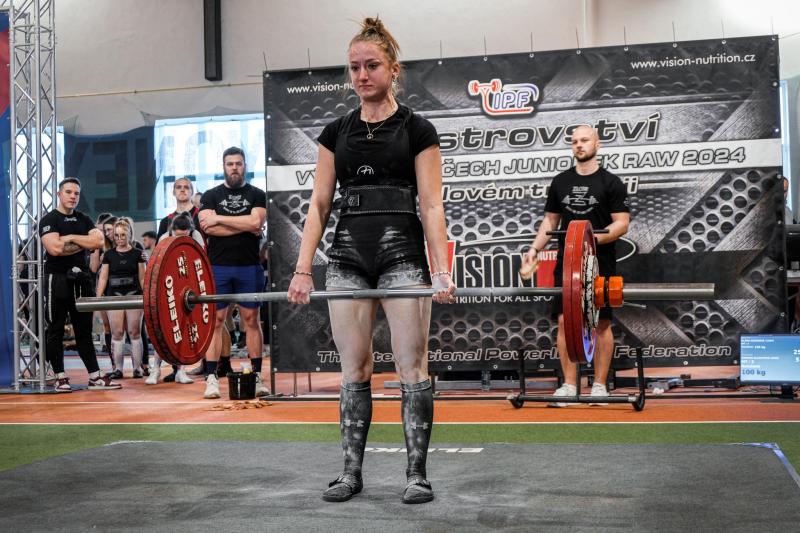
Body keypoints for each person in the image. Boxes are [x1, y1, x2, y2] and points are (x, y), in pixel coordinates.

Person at [286, 17, 455, 505]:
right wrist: (302, 269)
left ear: (393, 69)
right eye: (355, 67)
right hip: (348, 258)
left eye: (372, 65)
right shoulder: (335, 132)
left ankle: (417, 475)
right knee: (354, 368)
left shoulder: (418, 129)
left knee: (411, 366)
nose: (362, 75)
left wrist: (440, 270)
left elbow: (432, 206)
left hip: (403, 256)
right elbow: (319, 204)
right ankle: (350, 473)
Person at [521, 124, 630, 407]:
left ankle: (599, 387)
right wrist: (533, 250)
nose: (579, 145)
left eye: (585, 140)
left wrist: (590, 239)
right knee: (564, 321)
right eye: (574, 141)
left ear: (597, 144)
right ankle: (569, 386)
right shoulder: (560, 182)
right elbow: (550, 220)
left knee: (601, 323)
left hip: (600, 262)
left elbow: (621, 223)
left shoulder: (611, 182)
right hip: (568, 264)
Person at [198, 146, 268, 399]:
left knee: (252, 320)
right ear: (224, 166)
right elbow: (208, 228)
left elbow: (256, 222)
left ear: (245, 165)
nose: (234, 168)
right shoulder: (211, 195)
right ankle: (211, 378)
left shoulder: (257, 194)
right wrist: (245, 225)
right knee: (215, 322)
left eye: (238, 163)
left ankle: (257, 375)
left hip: (249, 266)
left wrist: (220, 218)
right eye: (230, 164)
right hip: (218, 267)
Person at [39, 178, 121, 391]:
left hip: (81, 280)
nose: (73, 196)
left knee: (84, 330)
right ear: (59, 194)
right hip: (56, 279)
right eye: (68, 192)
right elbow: (55, 249)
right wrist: (82, 242)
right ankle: (60, 376)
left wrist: (70, 237)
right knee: (56, 329)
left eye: (76, 193)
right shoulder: (49, 220)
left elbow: (98, 242)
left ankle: (94, 377)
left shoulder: (84, 219)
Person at [145, 213, 200, 385]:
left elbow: (200, 262)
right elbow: (156, 266)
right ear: (172, 230)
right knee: (161, 330)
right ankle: (155, 370)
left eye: (185, 235)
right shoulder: (164, 238)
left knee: (182, 328)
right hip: (167, 284)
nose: (182, 239)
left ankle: (180, 371)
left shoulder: (196, 236)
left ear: (190, 230)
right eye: (178, 235)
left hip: (187, 286)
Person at [156, 177, 202, 382]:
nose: (182, 190)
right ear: (173, 192)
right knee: (174, 322)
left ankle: (214, 364)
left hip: (196, 277)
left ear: (191, 191)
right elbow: (159, 253)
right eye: (179, 187)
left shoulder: (200, 216)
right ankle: (177, 369)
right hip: (173, 281)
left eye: (186, 187)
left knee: (209, 320)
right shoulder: (165, 221)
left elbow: (203, 251)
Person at [95, 218, 146, 378]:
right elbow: (103, 278)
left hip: (134, 296)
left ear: (129, 234)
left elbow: (142, 278)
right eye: (116, 235)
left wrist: (147, 297)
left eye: (123, 235)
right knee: (117, 333)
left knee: (134, 332)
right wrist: (98, 299)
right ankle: (118, 369)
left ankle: (137, 368)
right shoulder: (108, 255)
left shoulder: (138, 254)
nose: (119, 238)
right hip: (114, 297)